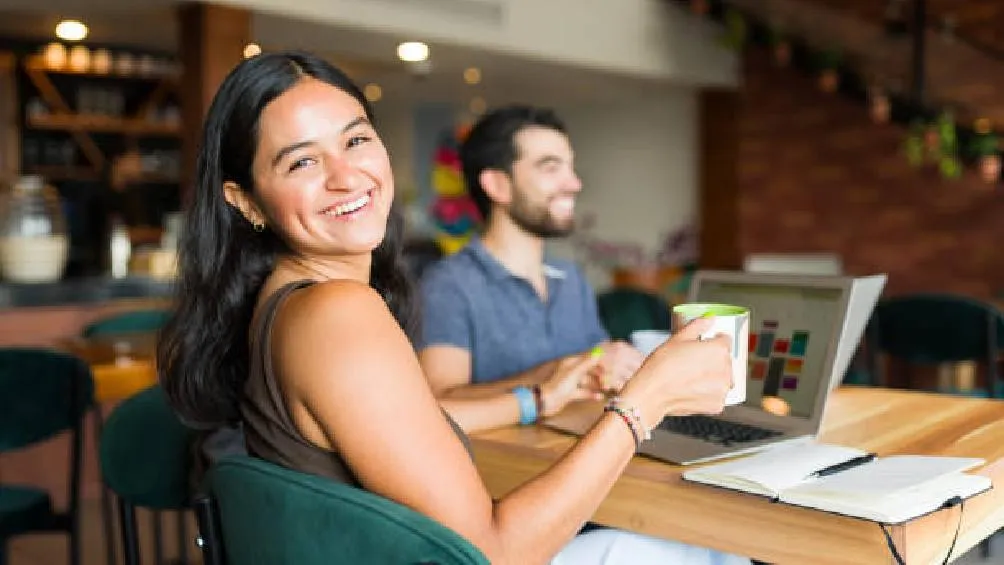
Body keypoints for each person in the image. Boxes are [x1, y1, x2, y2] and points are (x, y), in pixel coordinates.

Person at [158, 50, 748, 564]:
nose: (348, 176)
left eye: (357, 139)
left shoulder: (289, 305)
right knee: (714, 547)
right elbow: (493, 554)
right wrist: (643, 401)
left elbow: (403, 425)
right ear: (245, 201)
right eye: (303, 161)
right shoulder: (337, 313)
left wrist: (536, 398)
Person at [418, 105, 647, 433]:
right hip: (503, 471)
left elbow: (595, 365)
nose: (574, 183)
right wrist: (551, 374)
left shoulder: (570, 279)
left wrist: (611, 362)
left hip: (580, 456)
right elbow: (435, 402)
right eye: (551, 168)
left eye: (571, 167)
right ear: (498, 185)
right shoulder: (449, 284)